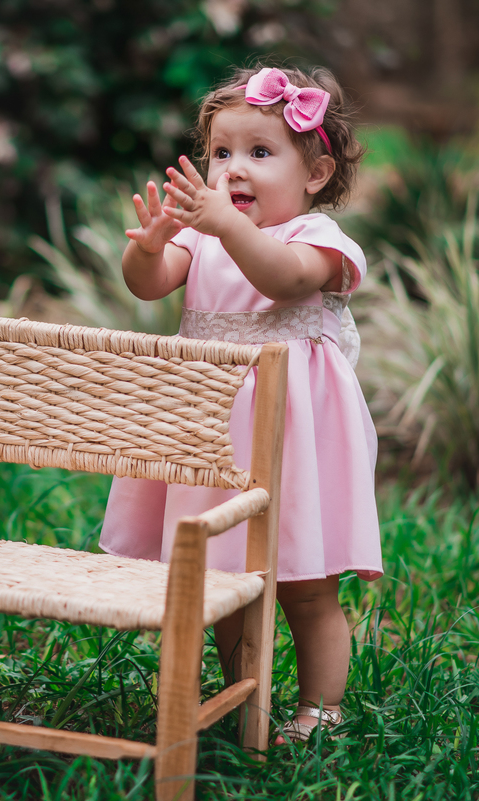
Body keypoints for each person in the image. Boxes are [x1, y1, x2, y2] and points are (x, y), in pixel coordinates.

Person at [99, 64, 383, 744]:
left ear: (315, 172)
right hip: (212, 430)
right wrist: (150, 247)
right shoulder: (204, 238)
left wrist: (223, 224)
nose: (233, 169)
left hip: (294, 438)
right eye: (221, 153)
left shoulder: (319, 242)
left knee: (307, 585)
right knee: (224, 578)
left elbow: (281, 279)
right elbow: (150, 285)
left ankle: (321, 708)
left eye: (259, 152)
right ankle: (241, 695)